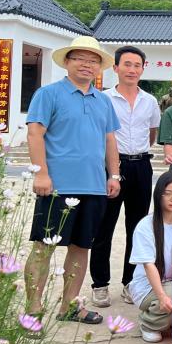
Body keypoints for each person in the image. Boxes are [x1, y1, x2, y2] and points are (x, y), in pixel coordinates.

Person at [23, 36, 121, 326]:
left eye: (93, 61)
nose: (86, 65)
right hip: (57, 187)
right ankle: (33, 309)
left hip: (94, 186)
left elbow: (110, 139)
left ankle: (69, 306)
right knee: (43, 247)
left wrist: (114, 174)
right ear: (67, 62)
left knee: (81, 248)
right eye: (80, 58)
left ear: (99, 67)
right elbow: (35, 133)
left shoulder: (103, 101)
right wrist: (41, 173)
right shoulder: (48, 94)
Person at [89, 45, 162, 308]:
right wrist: (113, 166)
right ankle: (100, 284)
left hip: (141, 166)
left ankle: (130, 282)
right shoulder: (102, 99)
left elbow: (152, 133)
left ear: (143, 68)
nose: (132, 70)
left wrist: (137, 154)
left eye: (137, 65)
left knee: (138, 228)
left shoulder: (150, 101)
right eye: (127, 64)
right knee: (104, 226)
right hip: (110, 167)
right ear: (115, 68)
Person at [128, 170, 172, 343]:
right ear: (158, 195)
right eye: (168, 194)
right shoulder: (146, 226)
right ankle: (149, 323)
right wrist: (162, 297)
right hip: (148, 286)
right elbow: (149, 265)